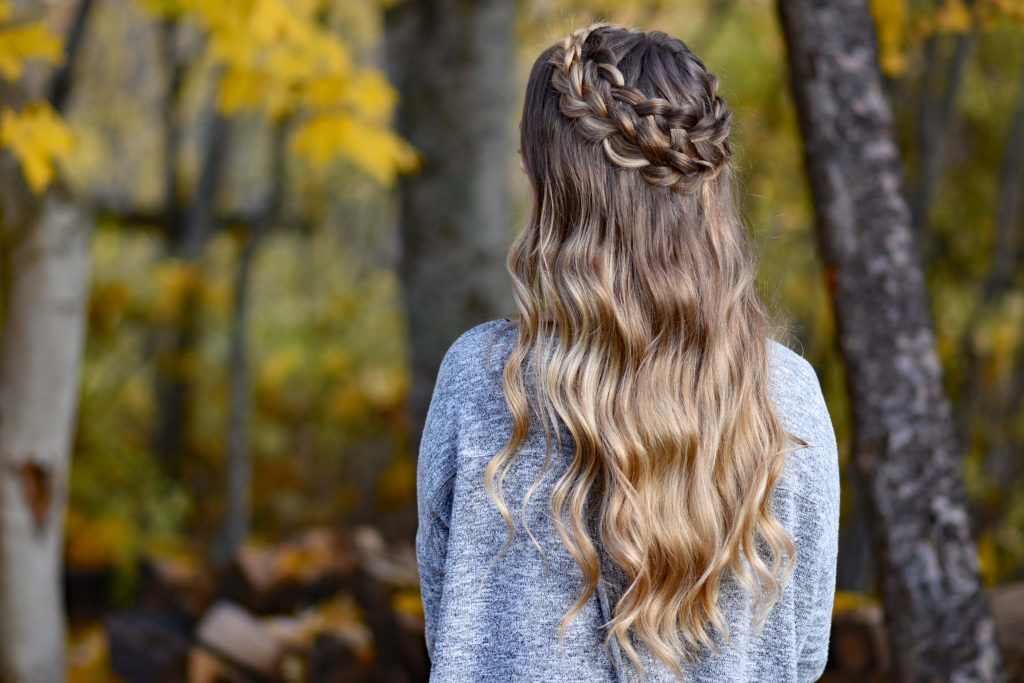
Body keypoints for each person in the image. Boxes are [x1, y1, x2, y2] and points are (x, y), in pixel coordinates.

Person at [415, 22, 840, 683]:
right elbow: (805, 649)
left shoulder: (481, 379)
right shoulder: (788, 397)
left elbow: (447, 625)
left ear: (554, 191)